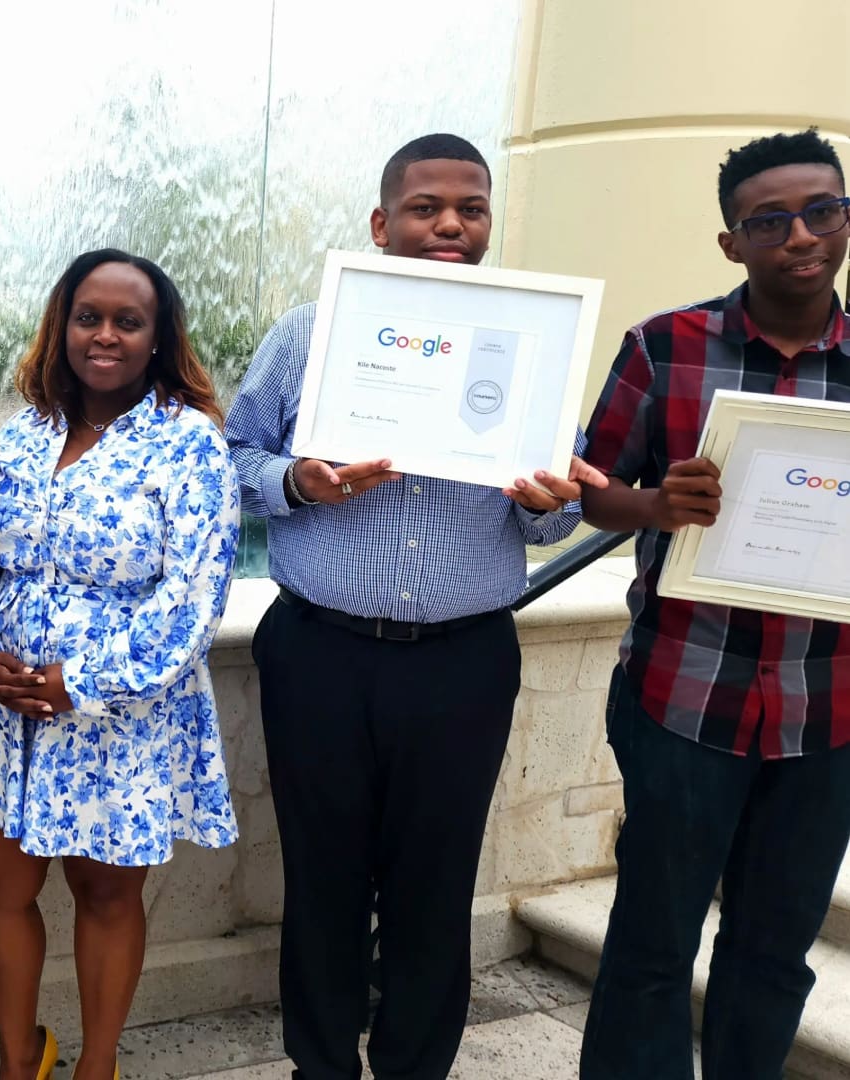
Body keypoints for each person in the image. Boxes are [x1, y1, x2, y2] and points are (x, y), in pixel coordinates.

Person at [225, 133, 607, 1080]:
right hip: (321, 652)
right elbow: (230, 462)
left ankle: (413, 1068)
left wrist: (545, 503)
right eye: (427, 206)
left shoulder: (533, 348)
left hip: (461, 660)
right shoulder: (308, 334)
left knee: (435, 889)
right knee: (322, 882)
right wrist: (301, 484)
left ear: (487, 222)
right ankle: (321, 1064)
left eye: (469, 208)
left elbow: (553, 524)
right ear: (380, 222)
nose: (449, 224)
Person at [578, 129, 850, 1080]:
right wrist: (657, 503)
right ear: (732, 242)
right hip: (684, 696)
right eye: (769, 220)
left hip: (829, 712)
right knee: (653, 947)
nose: (801, 236)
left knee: (775, 956)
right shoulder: (665, 346)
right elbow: (588, 486)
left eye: (823, 210)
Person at [0, 248, 239, 1080]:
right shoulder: (24, 436)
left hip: (121, 719)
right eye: (88, 318)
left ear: (157, 338)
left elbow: (193, 601)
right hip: (8, 715)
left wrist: (89, 682)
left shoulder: (189, 446)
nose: (104, 335)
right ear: (61, 327)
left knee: (108, 897)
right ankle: (19, 1060)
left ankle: (97, 1067)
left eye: (127, 321)